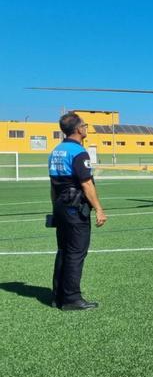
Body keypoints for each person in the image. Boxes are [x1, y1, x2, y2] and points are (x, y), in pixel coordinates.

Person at [48, 112, 107, 311]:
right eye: (85, 125)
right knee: (76, 252)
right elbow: (87, 184)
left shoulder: (56, 151)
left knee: (63, 250)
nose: (86, 128)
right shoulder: (79, 152)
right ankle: (72, 298)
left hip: (61, 205)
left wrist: (55, 209)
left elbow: (53, 186)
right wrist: (99, 209)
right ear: (78, 129)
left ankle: (58, 296)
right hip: (75, 207)